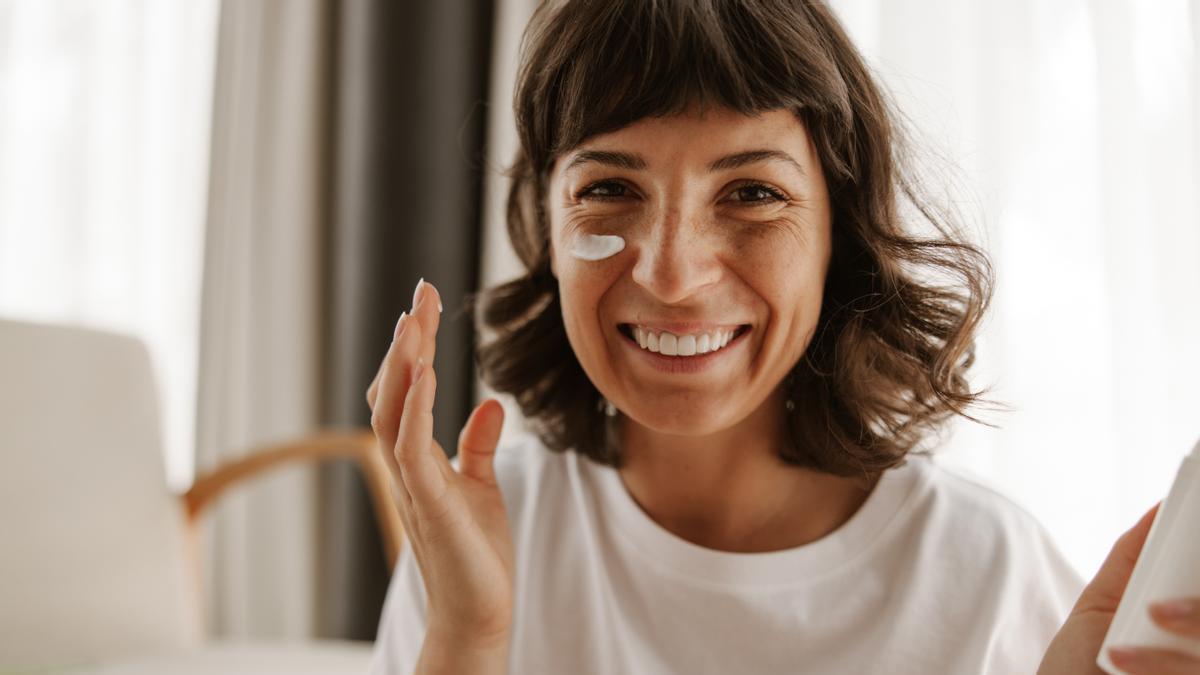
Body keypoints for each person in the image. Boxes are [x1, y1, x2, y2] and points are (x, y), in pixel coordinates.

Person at [365, 1, 1200, 673]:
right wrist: (469, 641)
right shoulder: (477, 539)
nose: (671, 273)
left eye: (752, 193)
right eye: (611, 185)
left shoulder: (984, 575)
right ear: (546, 228)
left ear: (841, 230)